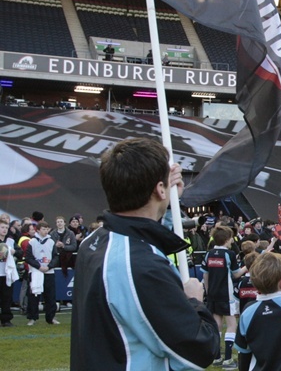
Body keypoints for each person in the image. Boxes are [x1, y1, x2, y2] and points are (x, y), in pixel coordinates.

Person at [71, 137, 219, 370]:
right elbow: (198, 349)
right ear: (160, 189)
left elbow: (140, 229)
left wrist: (167, 201)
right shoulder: (140, 265)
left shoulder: (95, 240)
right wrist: (194, 301)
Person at [202, 225, 247, 369]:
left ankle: (216, 357)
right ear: (227, 239)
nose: (232, 242)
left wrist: (208, 292)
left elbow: (205, 274)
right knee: (232, 325)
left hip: (213, 294)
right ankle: (228, 359)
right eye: (231, 239)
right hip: (226, 294)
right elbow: (236, 274)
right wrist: (247, 266)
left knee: (217, 325)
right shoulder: (229, 254)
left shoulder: (209, 254)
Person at [24, 221, 60, 326]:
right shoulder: (32, 242)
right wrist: (39, 266)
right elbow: (28, 257)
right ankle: (32, 318)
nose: (45, 231)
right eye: (43, 229)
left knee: (50, 296)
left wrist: (49, 266)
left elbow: (55, 257)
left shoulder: (51, 242)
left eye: (47, 229)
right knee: (34, 295)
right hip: (35, 272)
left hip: (49, 272)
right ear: (38, 230)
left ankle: (51, 317)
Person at [0, 219, 19, 327]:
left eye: (6, 228)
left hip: (6, 274)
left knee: (6, 298)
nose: (4, 230)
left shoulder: (10, 241)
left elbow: (20, 252)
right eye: (2, 227)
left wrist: (14, 251)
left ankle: (6, 320)